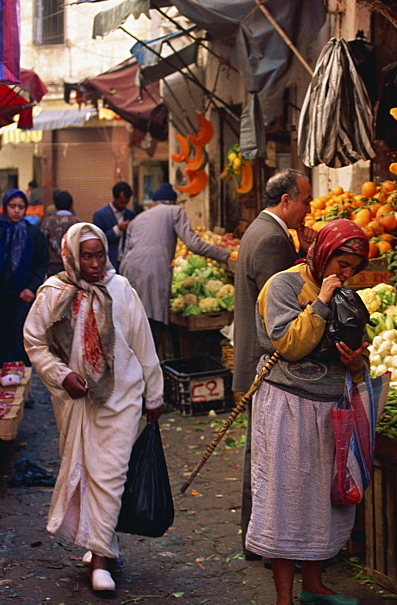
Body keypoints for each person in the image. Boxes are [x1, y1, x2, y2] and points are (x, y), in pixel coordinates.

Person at [23, 223, 164, 596]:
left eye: (100, 254)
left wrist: (155, 394)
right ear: (71, 255)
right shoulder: (54, 294)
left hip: (122, 397)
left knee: (110, 474)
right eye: (87, 256)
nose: (95, 262)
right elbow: (35, 342)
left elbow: (143, 343)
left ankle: (100, 560)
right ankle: (102, 541)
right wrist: (61, 374)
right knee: (85, 472)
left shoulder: (121, 289)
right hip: (74, 402)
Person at [246, 219, 370, 605]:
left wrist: (355, 363)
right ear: (323, 253)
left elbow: (360, 348)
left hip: (329, 408)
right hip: (287, 405)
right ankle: (284, 596)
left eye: (352, 268)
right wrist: (320, 303)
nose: (345, 273)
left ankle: (313, 585)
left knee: (320, 498)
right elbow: (290, 345)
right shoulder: (283, 285)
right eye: (341, 263)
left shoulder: (345, 292)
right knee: (286, 498)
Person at [232, 169, 314, 560]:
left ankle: (256, 538)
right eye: (305, 201)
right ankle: (266, 542)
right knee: (269, 455)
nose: (307, 210)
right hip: (265, 364)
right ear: (286, 201)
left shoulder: (260, 230)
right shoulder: (272, 240)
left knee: (260, 451)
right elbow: (281, 310)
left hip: (253, 359)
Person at [118, 182, 231, 357]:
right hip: (153, 269)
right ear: (174, 202)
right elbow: (194, 244)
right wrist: (225, 255)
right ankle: (151, 371)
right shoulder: (175, 212)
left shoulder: (137, 219)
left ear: (154, 203)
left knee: (134, 322)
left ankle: (136, 370)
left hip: (128, 268)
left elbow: (125, 252)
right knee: (153, 321)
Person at [0, 189, 48, 365]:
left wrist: (31, 288)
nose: (16, 211)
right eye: (12, 206)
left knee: (21, 333)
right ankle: (4, 371)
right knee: (1, 331)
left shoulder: (34, 235)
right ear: (5, 207)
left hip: (22, 295)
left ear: (26, 209)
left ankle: (20, 373)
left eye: (21, 207)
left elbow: (41, 263)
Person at [92, 181, 136, 271]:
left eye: (126, 202)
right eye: (121, 202)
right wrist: (117, 229)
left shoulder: (130, 214)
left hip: (126, 261)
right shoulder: (100, 215)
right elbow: (99, 240)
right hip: (109, 262)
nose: (124, 205)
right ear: (115, 198)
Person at [39, 189, 81, 276]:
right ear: (71, 205)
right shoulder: (77, 222)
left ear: (55, 206)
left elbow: (42, 245)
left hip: (53, 267)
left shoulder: (48, 222)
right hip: (73, 265)